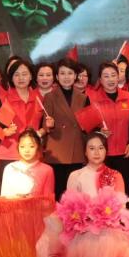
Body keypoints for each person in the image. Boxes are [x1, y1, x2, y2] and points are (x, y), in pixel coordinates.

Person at [0, 60, 46, 194]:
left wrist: (44, 130)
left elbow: (44, 126)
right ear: (11, 78)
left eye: (24, 74)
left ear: (31, 76)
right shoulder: (6, 99)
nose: (21, 78)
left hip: (33, 155)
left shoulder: (38, 98)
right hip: (10, 154)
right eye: (16, 74)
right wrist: (5, 132)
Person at [42, 59, 87, 196]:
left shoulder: (83, 98)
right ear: (57, 76)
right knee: (59, 192)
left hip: (76, 150)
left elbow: (87, 125)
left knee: (74, 193)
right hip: (57, 151)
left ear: (75, 76)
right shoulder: (49, 97)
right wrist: (48, 125)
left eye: (70, 73)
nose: (66, 77)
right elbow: (44, 124)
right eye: (62, 73)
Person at [87, 63, 129, 178]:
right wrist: (99, 132)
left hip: (124, 152)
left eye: (113, 75)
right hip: (102, 153)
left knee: (123, 184)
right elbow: (88, 127)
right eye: (106, 76)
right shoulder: (92, 98)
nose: (110, 79)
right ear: (100, 80)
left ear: (118, 77)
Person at [0, 129, 54, 197]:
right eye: (22, 147)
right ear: (18, 148)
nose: (27, 150)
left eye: (31, 146)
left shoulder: (47, 170)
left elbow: (48, 199)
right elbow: (4, 196)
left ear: (38, 147)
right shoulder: (9, 168)